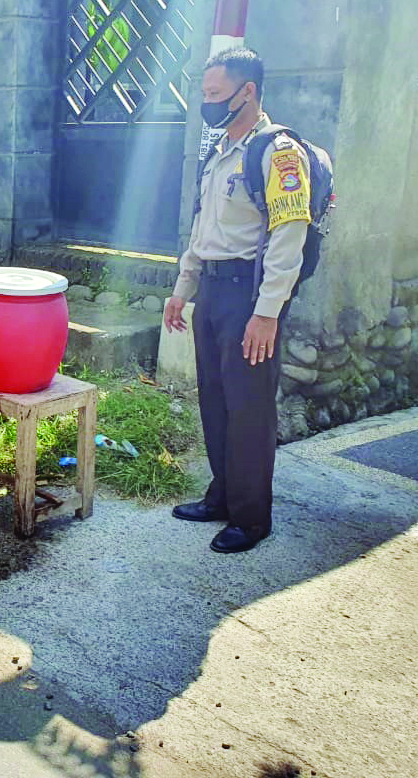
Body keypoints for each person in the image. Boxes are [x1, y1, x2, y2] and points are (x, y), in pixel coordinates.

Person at [164, 47, 311, 554]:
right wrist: (183, 289)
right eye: (204, 93)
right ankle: (222, 495)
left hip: (249, 295)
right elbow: (202, 229)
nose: (207, 102)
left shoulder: (279, 152)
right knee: (215, 398)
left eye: (215, 93)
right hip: (212, 291)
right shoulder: (219, 151)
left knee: (249, 408)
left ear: (247, 91)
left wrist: (267, 312)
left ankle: (251, 518)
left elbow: (289, 235)